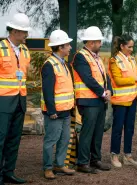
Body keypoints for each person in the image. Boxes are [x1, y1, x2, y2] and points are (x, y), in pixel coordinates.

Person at [72, 26, 112, 173]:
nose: (101, 44)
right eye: (98, 41)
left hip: (99, 100)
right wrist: (103, 92)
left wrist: (109, 91)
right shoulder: (80, 56)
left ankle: (95, 159)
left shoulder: (96, 57)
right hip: (88, 101)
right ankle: (82, 162)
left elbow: (104, 77)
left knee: (98, 132)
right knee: (87, 132)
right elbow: (87, 79)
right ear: (91, 42)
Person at [0, 13, 31, 185]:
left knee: (14, 139)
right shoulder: (0, 48)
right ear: (15, 31)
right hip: (3, 101)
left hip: (20, 100)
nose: (26, 35)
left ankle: (8, 173)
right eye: (24, 31)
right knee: (1, 138)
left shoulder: (25, 50)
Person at [108, 34, 137, 168]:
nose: (132, 49)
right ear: (122, 46)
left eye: (132, 47)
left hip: (133, 99)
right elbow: (118, 81)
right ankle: (114, 155)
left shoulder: (132, 59)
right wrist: (135, 78)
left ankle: (127, 155)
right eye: (129, 47)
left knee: (130, 128)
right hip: (120, 101)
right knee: (118, 128)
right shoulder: (114, 60)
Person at [41, 30, 76, 179]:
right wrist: (51, 110)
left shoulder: (64, 64)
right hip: (54, 112)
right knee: (51, 140)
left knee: (64, 139)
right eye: (68, 45)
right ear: (60, 47)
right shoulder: (49, 65)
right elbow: (48, 91)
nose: (70, 47)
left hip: (66, 111)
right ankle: (48, 168)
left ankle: (59, 164)